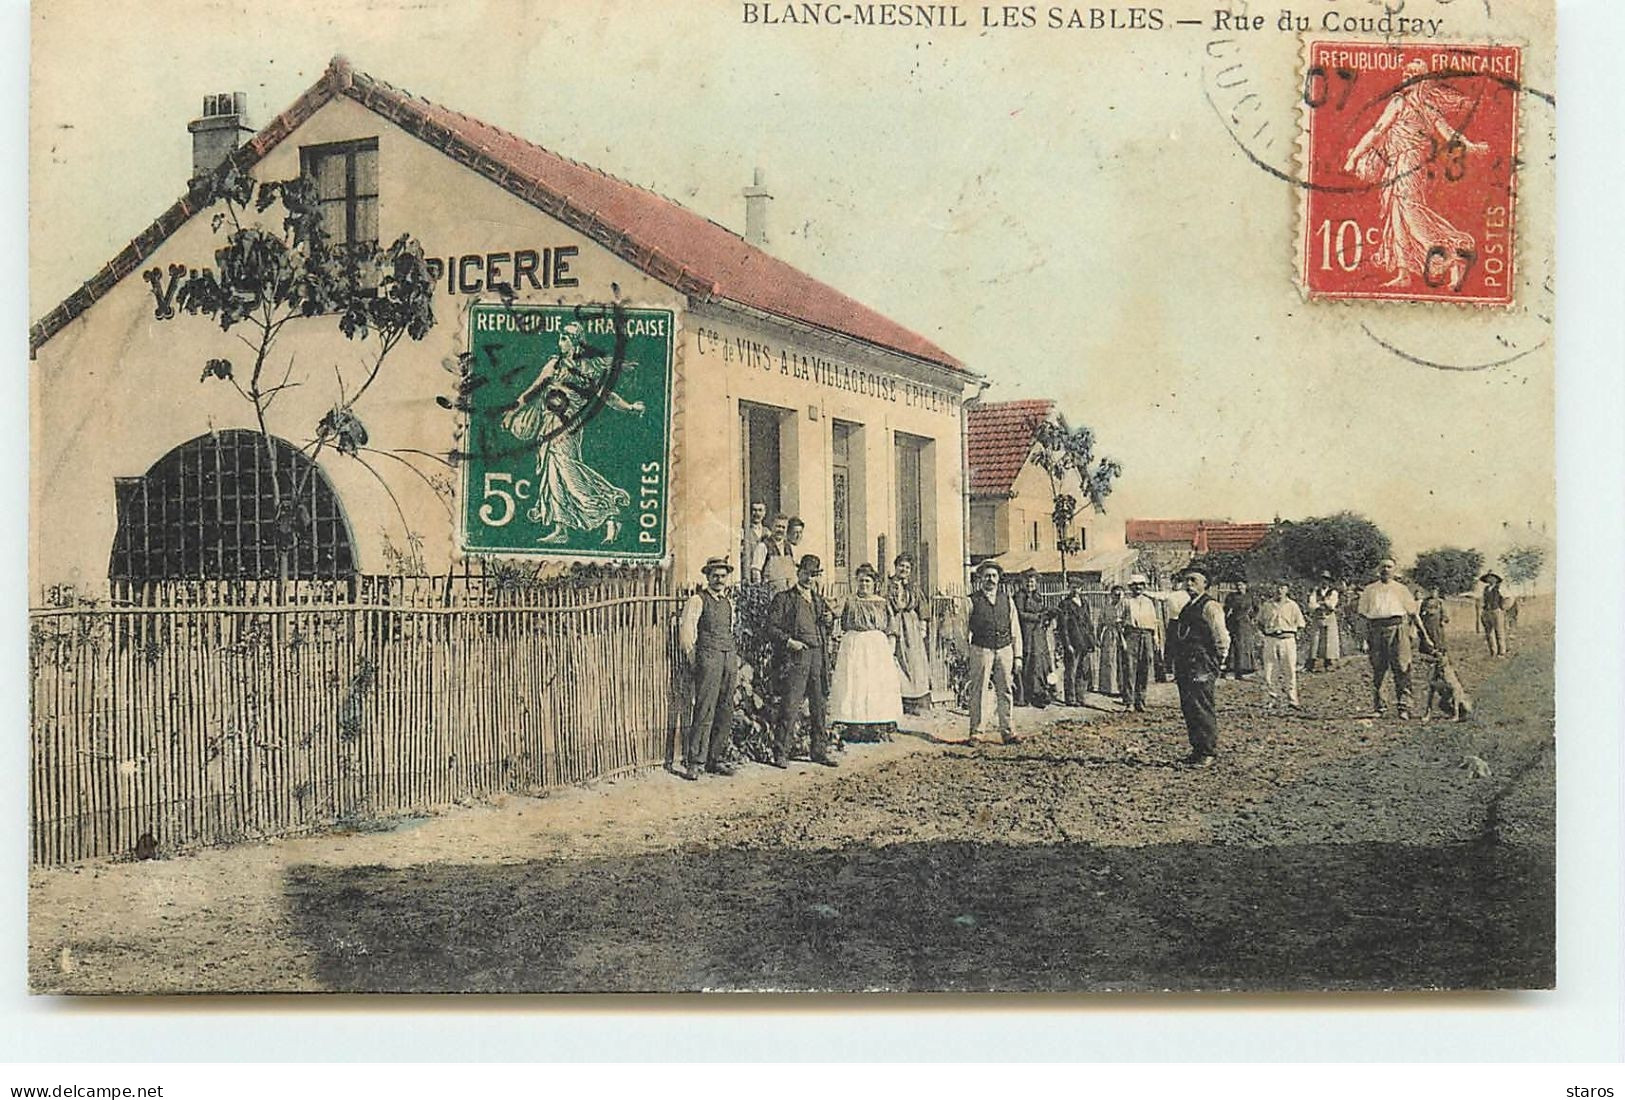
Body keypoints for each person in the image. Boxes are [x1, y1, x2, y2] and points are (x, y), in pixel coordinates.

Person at [1342, 57, 1490, 290]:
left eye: (1411, 74)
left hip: (1408, 165)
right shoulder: (1418, 105)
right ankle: (1404, 273)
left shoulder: (1403, 104)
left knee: (1411, 216)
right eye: (1405, 73)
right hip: (1399, 166)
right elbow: (1447, 132)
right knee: (1397, 218)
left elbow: (1378, 131)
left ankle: (1452, 252)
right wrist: (1469, 146)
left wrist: (1354, 157)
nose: (1405, 78)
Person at [501, 320, 643, 545]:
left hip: (569, 429)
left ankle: (609, 510)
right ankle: (561, 528)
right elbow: (532, 391)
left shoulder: (588, 369)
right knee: (553, 475)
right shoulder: (554, 365)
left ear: (576, 343)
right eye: (560, 336)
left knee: (569, 472)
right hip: (549, 426)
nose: (561, 341)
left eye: (566, 337)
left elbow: (606, 395)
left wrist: (629, 407)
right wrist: (512, 411)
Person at [765, 554, 838, 768]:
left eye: (813, 575)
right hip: (797, 657)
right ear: (799, 573)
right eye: (806, 573)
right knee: (790, 705)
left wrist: (829, 621)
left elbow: (826, 630)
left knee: (819, 706)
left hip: (817, 658)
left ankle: (819, 751)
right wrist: (789, 642)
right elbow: (771, 628)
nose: (809, 578)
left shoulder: (818, 600)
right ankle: (780, 753)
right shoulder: (784, 599)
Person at [677, 556, 739, 781]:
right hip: (708, 658)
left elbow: (730, 630)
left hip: (728, 657)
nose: (719, 580)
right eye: (715, 576)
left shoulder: (728, 602)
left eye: (723, 576)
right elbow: (687, 633)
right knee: (704, 709)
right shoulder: (697, 600)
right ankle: (696, 762)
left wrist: (732, 658)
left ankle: (716, 758)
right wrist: (695, 660)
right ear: (707, 577)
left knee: (725, 708)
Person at [830, 564, 903, 738]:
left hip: (876, 646)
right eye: (861, 581)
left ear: (874, 583)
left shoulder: (882, 602)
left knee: (876, 683)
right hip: (854, 643)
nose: (864, 585)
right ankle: (853, 723)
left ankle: (878, 723)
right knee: (854, 683)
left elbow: (891, 626)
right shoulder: (849, 600)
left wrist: (890, 647)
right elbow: (835, 614)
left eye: (867, 581)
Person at [1168, 569, 1230, 767]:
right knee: (1190, 706)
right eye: (1186, 580)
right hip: (1186, 663)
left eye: (1194, 580)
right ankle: (1197, 749)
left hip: (1202, 663)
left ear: (1206, 584)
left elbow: (1221, 635)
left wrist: (1218, 661)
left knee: (1202, 706)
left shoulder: (1210, 606)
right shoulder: (1187, 606)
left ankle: (1208, 751)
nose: (1189, 584)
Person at [966, 560, 1024, 744]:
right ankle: (977, 732)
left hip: (1005, 648)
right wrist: (967, 652)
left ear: (999, 579)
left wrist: (1018, 655)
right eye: (986, 576)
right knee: (979, 690)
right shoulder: (971, 600)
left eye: (993, 576)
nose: (990, 579)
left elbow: (1015, 628)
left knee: (1005, 689)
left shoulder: (1007, 600)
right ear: (980, 579)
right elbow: (961, 629)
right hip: (981, 649)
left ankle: (1008, 731)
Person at [1357, 558, 1423, 718]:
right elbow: (1362, 617)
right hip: (1376, 629)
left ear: (1394, 569)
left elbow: (1414, 614)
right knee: (1379, 668)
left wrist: (1424, 635)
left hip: (1398, 629)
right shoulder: (1370, 590)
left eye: (1389, 567)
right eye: (1383, 567)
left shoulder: (1401, 589)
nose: (1386, 569)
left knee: (1402, 667)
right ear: (1378, 570)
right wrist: (1363, 638)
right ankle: (1380, 707)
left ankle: (1404, 707)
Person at [885, 553, 933, 714]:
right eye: (901, 566)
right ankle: (900, 700)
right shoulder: (889, 585)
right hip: (895, 623)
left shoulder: (913, 586)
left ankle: (915, 700)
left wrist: (923, 624)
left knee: (915, 662)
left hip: (912, 627)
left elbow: (922, 606)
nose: (904, 569)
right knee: (898, 660)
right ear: (896, 567)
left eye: (907, 567)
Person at [1254, 580, 1307, 709]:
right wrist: (1263, 635)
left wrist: (1296, 636)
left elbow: (1300, 624)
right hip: (1271, 639)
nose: (1279, 590)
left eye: (1282, 588)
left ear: (1287, 589)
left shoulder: (1292, 605)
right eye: (1276, 587)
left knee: (1290, 670)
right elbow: (1259, 622)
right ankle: (1272, 698)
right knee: (1270, 670)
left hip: (1287, 639)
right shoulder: (1267, 605)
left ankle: (1292, 699)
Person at [1118, 573, 1161, 712]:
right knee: (1130, 669)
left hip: (1146, 635)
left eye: (1141, 585)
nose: (1138, 587)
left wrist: (1155, 638)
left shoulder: (1148, 602)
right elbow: (1119, 622)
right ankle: (1129, 702)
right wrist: (1123, 640)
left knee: (1144, 668)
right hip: (1131, 634)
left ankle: (1141, 701)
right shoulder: (1126, 601)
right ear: (1131, 587)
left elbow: (1154, 622)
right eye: (1135, 585)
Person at [1013, 569, 1053, 708]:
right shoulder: (1019, 596)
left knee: (1040, 663)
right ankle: (1025, 695)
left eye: (1032, 581)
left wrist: (1047, 614)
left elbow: (1041, 610)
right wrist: (1037, 617)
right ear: (1023, 582)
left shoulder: (1037, 596)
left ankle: (1039, 693)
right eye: (1027, 581)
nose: (1030, 584)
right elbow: (1019, 614)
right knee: (1029, 661)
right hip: (1026, 633)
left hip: (1039, 634)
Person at [1055, 576, 1096, 706]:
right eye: (1072, 587)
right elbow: (1063, 627)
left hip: (1084, 641)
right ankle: (1070, 698)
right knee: (1071, 671)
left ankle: (1080, 697)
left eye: (1077, 587)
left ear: (1081, 588)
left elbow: (1089, 622)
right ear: (1069, 588)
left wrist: (1092, 640)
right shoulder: (1065, 604)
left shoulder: (1085, 602)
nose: (1075, 590)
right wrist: (1067, 644)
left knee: (1083, 671)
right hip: (1073, 642)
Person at [1303, 572, 1341, 671]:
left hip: (1329, 617)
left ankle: (1329, 662)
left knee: (1330, 639)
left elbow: (1332, 605)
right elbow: (1311, 605)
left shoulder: (1333, 592)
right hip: (1318, 616)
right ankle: (1313, 662)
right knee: (1316, 638)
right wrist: (1320, 605)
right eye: (1322, 579)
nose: (1324, 582)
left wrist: (1323, 603)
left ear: (1329, 582)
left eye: (1326, 580)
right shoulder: (1315, 592)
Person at [1224, 580, 1261, 680]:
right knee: (1235, 645)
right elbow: (1226, 609)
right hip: (1235, 623)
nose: (1239, 587)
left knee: (1245, 645)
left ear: (1245, 586)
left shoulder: (1250, 597)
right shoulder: (1232, 597)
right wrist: (1228, 619)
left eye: (1241, 585)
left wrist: (1252, 617)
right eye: (1237, 585)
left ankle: (1246, 669)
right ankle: (1233, 669)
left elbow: (1257, 609)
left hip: (1246, 623)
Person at [1097, 584, 1127, 702]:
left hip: (1123, 635)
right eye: (1116, 595)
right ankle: (1108, 688)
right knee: (1109, 660)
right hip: (1110, 635)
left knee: (1123, 661)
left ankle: (1123, 687)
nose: (1118, 597)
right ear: (1111, 595)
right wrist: (1098, 637)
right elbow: (1100, 623)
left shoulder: (1126, 606)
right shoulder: (1106, 608)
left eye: (1120, 594)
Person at [753, 514, 796, 592]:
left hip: (788, 592)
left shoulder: (789, 547)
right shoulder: (763, 546)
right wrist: (760, 592)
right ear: (772, 527)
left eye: (783, 527)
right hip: (771, 592)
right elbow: (756, 572)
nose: (780, 530)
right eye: (778, 526)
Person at [1479, 571, 1509, 657]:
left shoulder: (1499, 588)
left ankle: (1502, 652)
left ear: (1496, 579)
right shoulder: (1486, 589)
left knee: (1499, 632)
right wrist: (1483, 610)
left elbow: (1508, 598)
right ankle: (1493, 652)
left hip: (1496, 611)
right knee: (1489, 633)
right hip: (1487, 612)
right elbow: (1482, 600)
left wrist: (1502, 607)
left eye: (1492, 577)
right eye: (1488, 577)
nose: (1490, 579)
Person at [741, 501, 768, 582]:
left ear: (764, 513)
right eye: (754, 510)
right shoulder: (744, 531)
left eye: (760, 510)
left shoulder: (767, 532)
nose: (757, 513)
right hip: (747, 574)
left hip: (763, 574)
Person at [1418, 587, 1449, 655]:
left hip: (1437, 622)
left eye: (1435, 592)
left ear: (1437, 593)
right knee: (1427, 634)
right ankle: (1428, 649)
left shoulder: (1440, 602)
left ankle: (1439, 649)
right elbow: (1421, 611)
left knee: (1437, 636)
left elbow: (1444, 612)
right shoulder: (1425, 601)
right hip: (1427, 622)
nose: (1433, 593)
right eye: (1431, 592)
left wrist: (1443, 620)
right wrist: (1424, 614)